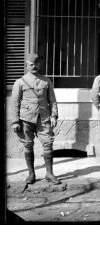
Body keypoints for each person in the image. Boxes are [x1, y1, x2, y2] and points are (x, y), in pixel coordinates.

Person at [9, 53, 61, 185]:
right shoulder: (20, 82)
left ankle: (49, 173)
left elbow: (52, 100)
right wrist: (15, 121)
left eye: (36, 64)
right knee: (28, 145)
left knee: (48, 143)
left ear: (39, 64)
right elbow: (14, 102)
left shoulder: (46, 81)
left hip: (43, 118)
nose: (34, 66)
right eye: (31, 64)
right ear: (27, 66)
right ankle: (31, 174)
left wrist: (54, 115)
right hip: (26, 119)